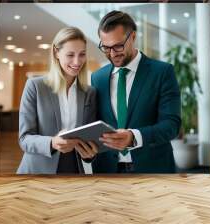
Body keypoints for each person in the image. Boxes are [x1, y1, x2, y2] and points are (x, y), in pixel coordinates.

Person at [91, 11, 181, 173]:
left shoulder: (162, 72)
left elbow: (171, 126)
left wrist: (133, 137)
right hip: (107, 170)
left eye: (118, 46)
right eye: (106, 47)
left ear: (132, 37)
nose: (112, 54)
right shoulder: (97, 78)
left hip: (153, 169)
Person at [17, 27, 98, 174]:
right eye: (70, 55)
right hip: (38, 169)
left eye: (82, 54)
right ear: (56, 53)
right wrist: (52, 142)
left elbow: (89, 139)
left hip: (73, 167)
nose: (77, 61)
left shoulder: (89, 93)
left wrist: (89, 155)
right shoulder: (35, 86)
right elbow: (24, 139)